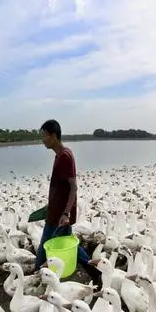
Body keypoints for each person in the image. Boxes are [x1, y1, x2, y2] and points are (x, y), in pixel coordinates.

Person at [35, 119, 102, 288]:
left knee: (43, 252)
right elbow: (61, 187)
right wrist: (50, 205)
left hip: (59, 216)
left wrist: (65, 213)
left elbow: (73, 187)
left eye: (44, 136)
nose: (42, 139)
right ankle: (96, 272)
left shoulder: (65, 156)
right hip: (56, 212)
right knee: (72, 247)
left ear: (54, 136)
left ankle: (38, 282)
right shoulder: (60, 155)